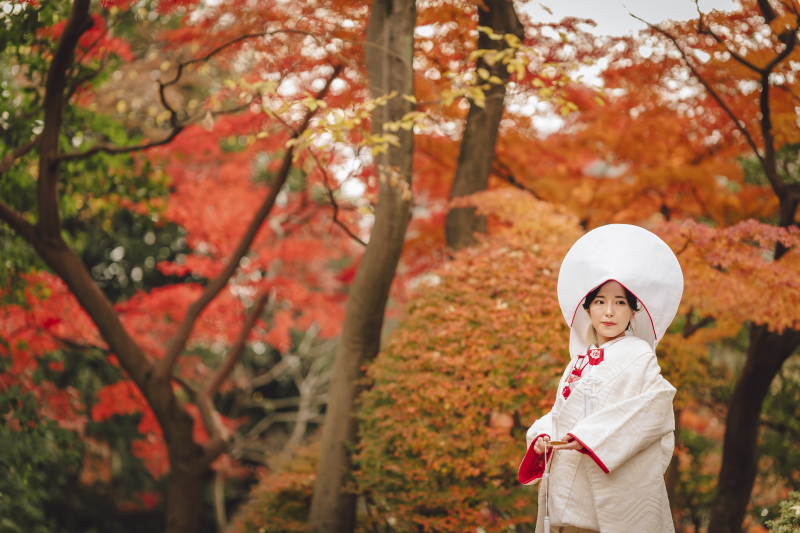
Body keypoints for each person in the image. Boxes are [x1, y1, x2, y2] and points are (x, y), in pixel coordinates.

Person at [518, 224, 683, 533]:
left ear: (634, 311)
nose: (609, 312)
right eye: (599, 302)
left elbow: (655, 411)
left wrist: (590, 438)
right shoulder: (577, 362)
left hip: (609, 498)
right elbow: (559, 416)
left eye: (620, 302)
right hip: (567, 492)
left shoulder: (639, 355)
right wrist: (541, 437)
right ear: (588, 308)